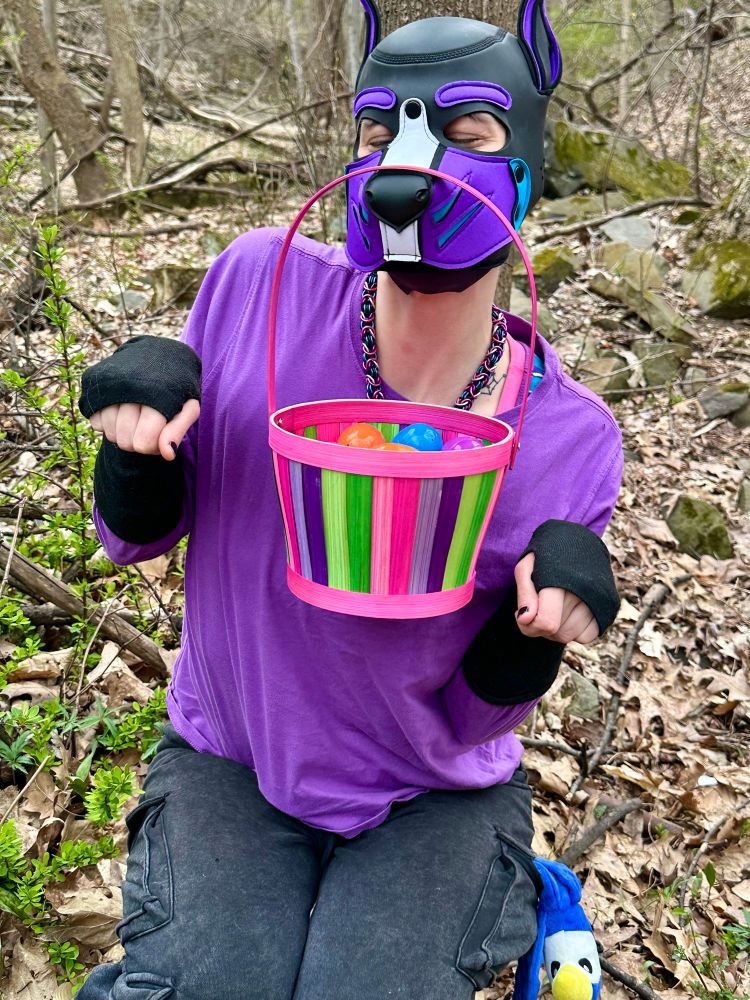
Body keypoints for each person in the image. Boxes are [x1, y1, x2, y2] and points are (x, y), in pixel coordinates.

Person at [76, 2, 622, 998]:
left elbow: (474, 715)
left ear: (528, 165)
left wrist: (534, 637)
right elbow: (132, 537)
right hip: (234, 755)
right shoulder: (259, 286)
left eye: (466, 132)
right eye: (378, 130)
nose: (405, 166)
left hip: (432, 793)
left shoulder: (569, 437)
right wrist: (135, 446)